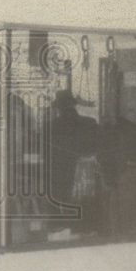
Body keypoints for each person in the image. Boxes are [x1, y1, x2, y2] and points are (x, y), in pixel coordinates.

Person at [45, 89, 102, 240]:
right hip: (85, 174)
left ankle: (64, 228)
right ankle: (87, 228)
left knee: (60, 199)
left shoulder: (50, 126)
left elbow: (45, 154)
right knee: (86, 202)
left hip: (60, 174)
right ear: (74, 106)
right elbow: (98, 147)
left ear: (58, 108)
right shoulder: (89, 123)